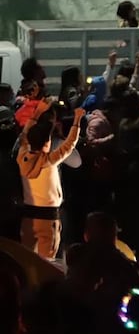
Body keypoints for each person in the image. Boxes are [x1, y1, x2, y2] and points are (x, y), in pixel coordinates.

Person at [18, 100, 85, 259]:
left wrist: (36, 114)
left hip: (28, 217)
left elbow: (24, 137)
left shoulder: (22, 156)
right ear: (46, 144)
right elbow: (69, 145)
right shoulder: (48, 161)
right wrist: (77, 120)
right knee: (46, 262)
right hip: (48, 219)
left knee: (26, 259)